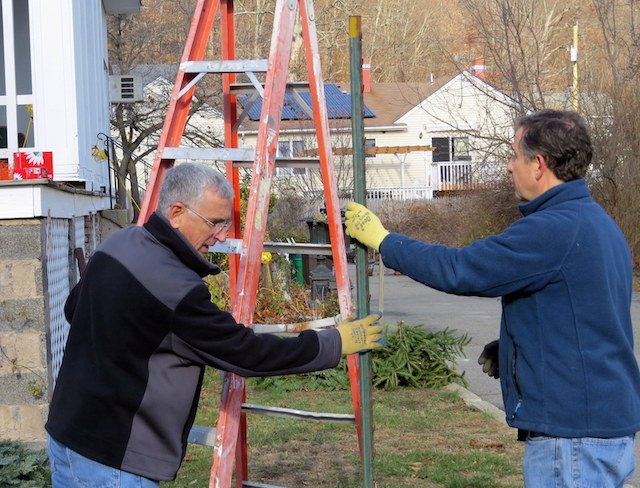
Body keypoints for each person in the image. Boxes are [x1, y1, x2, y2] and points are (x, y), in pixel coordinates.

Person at [344, 110, 640, 487]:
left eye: (515, 155)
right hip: (596, 425)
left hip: (572, 437)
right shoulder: (595, 222)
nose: (508, 166)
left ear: (539, 164)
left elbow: (462, 269)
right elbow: (586, 317)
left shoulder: (553, 228)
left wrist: (386, 241)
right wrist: (519, 346)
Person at [46, 163, 382, 487]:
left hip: (68, 436)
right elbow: (247, 353)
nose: (221, 237)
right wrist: (333, 342)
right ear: (176, 213)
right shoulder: (175, 288)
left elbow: (74, 309)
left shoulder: (118, 244)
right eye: (214, 223)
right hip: (114, 460)